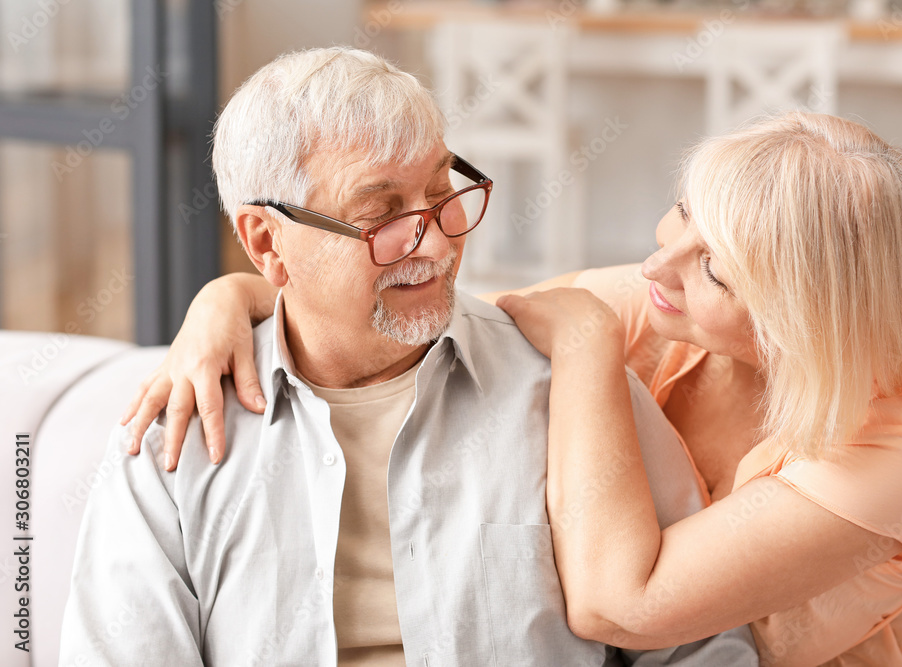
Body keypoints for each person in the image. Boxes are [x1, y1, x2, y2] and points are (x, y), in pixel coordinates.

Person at [126, 110, 902, 666]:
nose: (659, 261)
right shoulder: (673, 305)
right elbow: (410, 319)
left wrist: (584, 339)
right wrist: (233, 295)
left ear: (804, 317)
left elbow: (622, 602)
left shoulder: (897, 454)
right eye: (684, 212)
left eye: (718, 272)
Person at [60, 47, 757, 666]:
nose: (435, 243)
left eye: (440, 192)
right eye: (384, 215)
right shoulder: (176, 439)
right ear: (267, 244)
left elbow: (705, 649)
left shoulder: (569, 390)